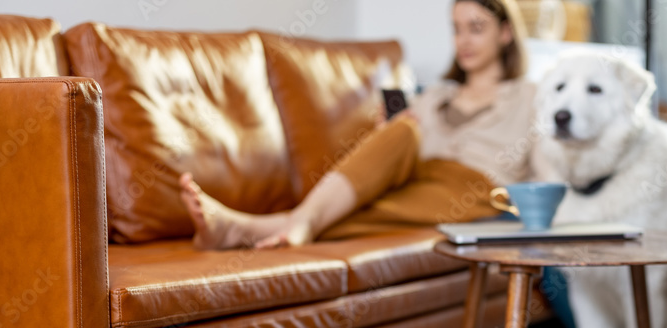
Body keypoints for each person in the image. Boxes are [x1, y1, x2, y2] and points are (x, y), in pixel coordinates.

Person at [179, 0, 537, 250]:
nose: (464, 41)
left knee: (368, 212)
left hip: (474, 190)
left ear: (505, 33)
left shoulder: (530, 96)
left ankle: (255, 227)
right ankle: (292, 222)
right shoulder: (436, 94)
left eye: (476, 28)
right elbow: (404, 143)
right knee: (403, 128)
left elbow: (549, 162)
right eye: (457, 29)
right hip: (417, 174)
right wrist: (389, 132)